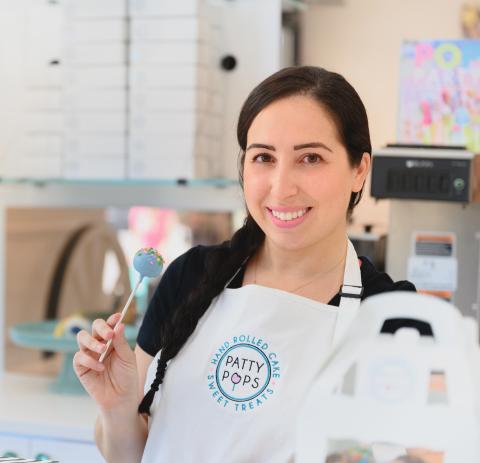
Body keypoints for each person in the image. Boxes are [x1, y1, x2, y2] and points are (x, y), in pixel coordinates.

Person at [73, 66, 415, 463]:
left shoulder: (392, 315)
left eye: (310, 158)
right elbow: (129, 455)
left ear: (359, 170)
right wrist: (117, 408)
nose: (282, 187)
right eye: (264, 157)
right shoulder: (191, 277)